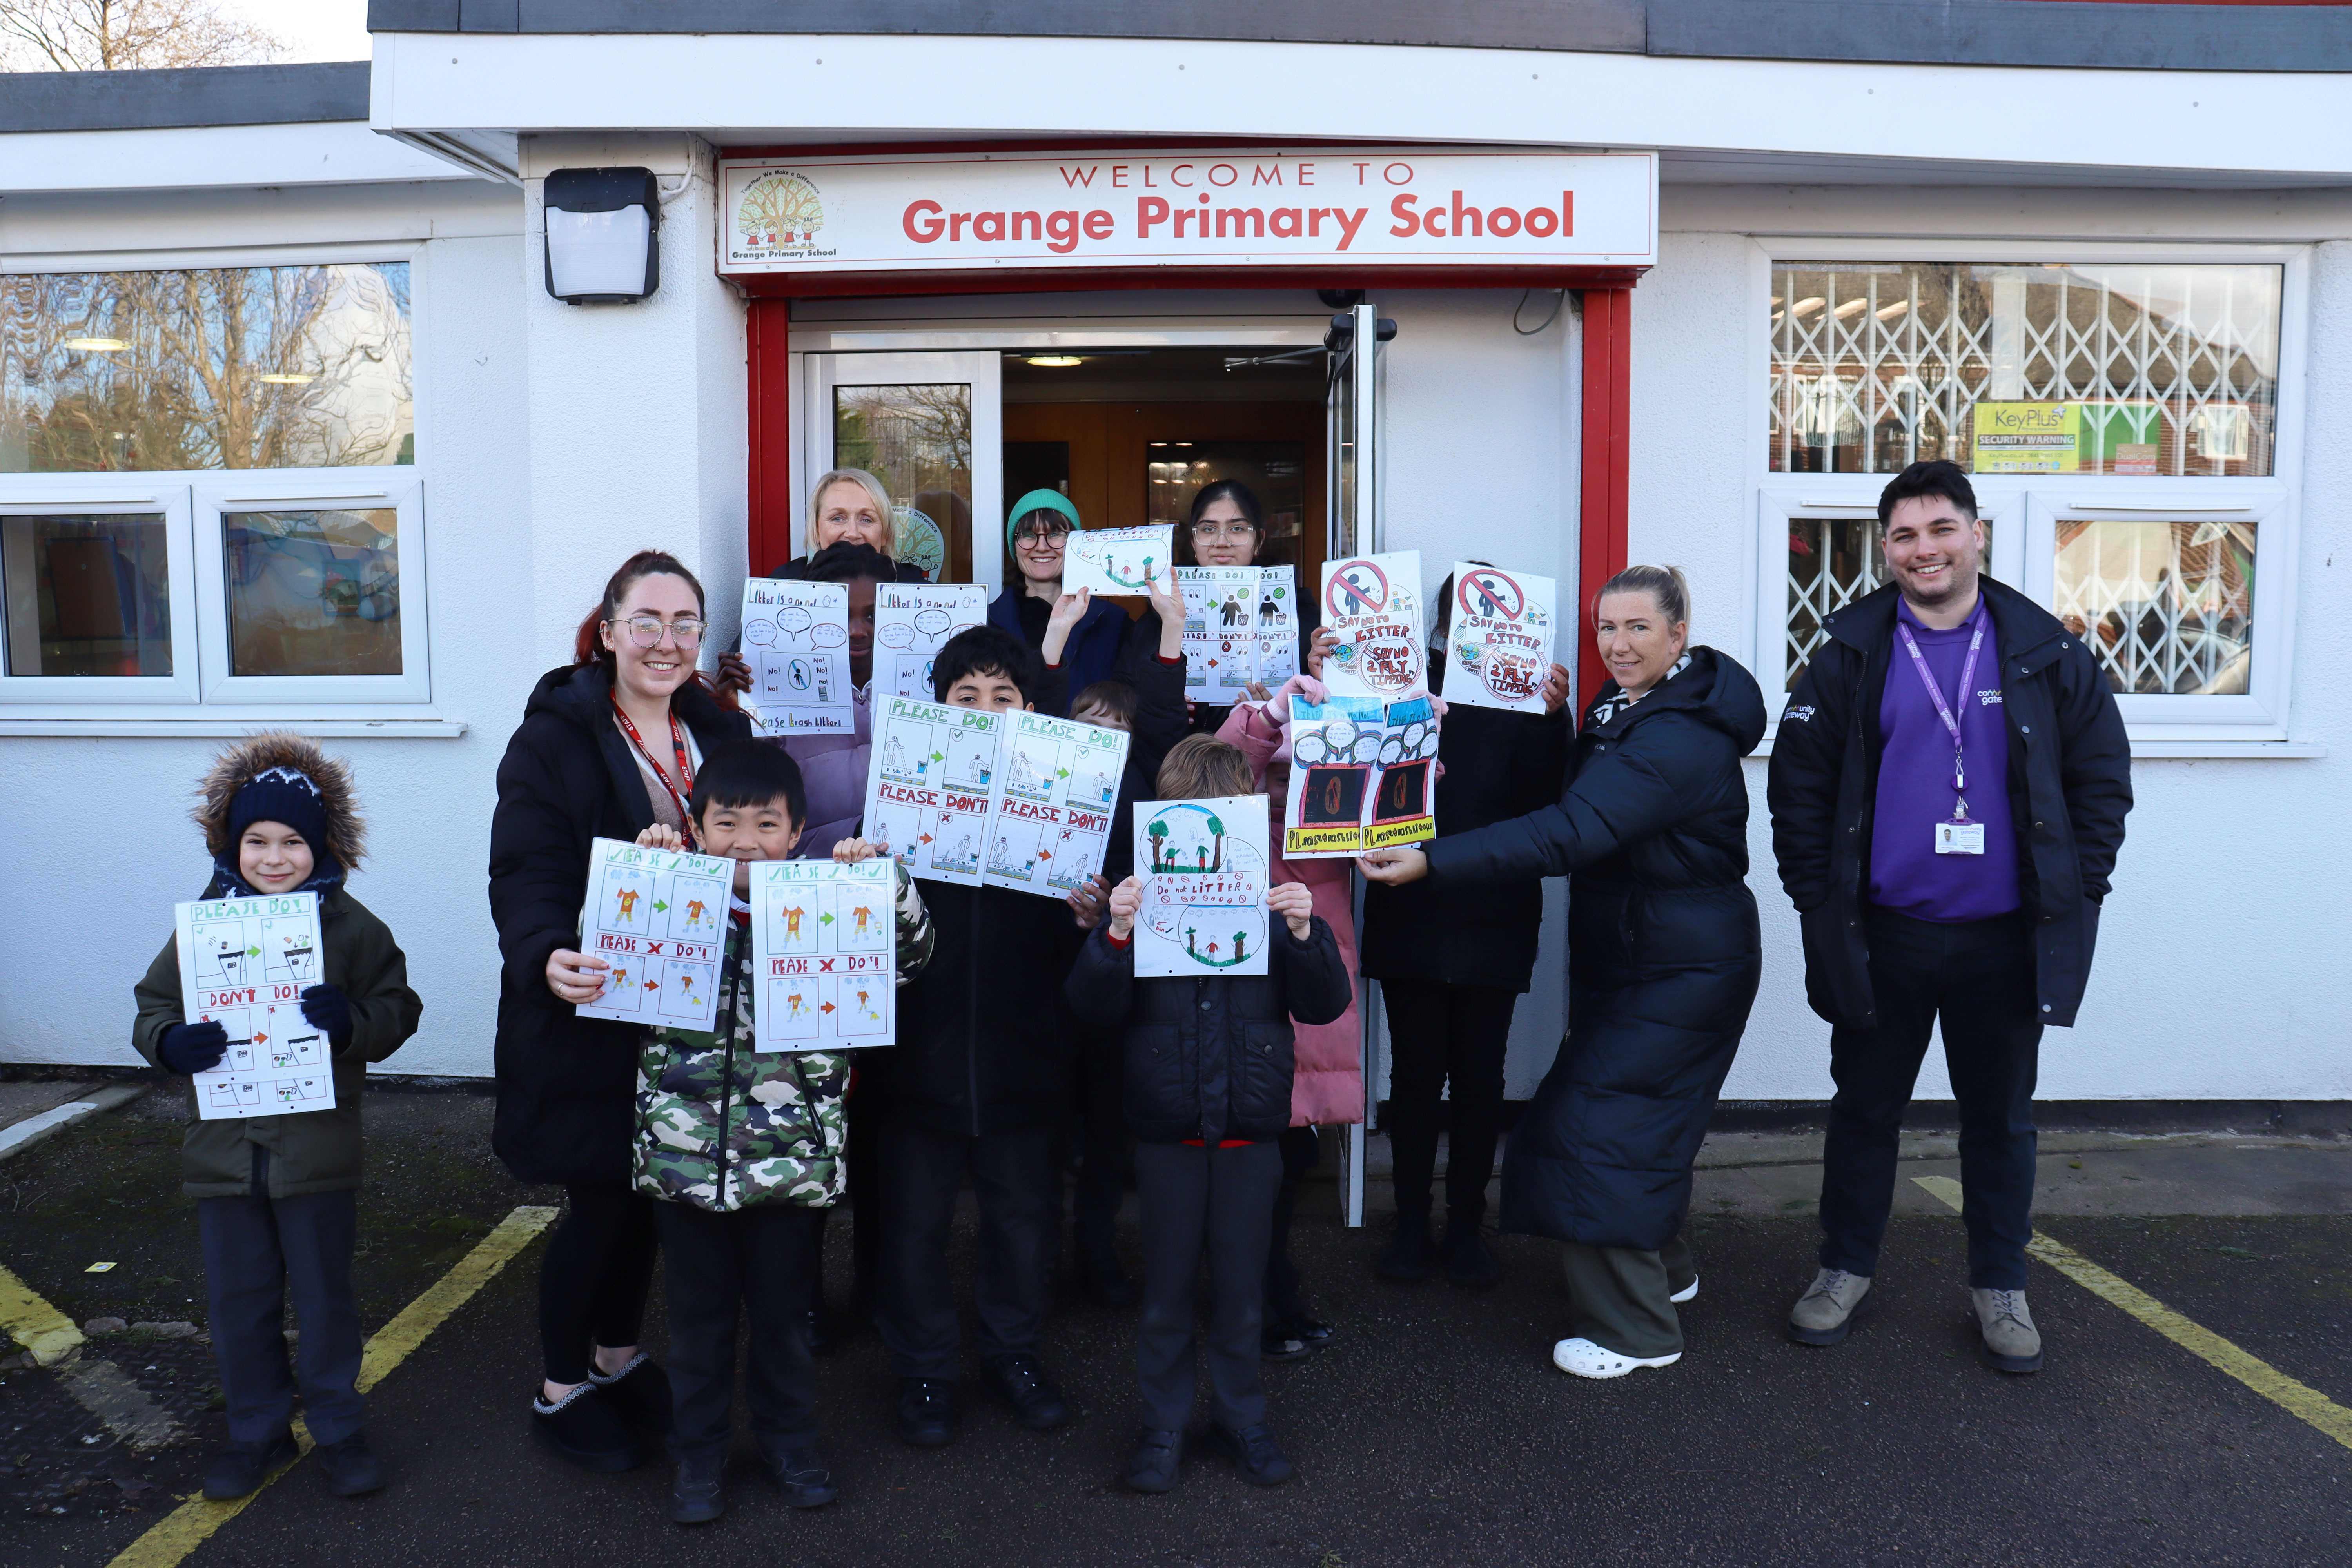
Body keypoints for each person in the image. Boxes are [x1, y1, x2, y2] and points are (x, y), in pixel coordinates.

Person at [1766, 460, 2131, 1374]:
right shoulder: (1850, 650)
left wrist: (2077, 888)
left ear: (1976, 535)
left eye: (1939, 529)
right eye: (1903, 535)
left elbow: (2101, 781)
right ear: (1884, 548)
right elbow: (1800, 787)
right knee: (1863, 1109)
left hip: (2005, 937)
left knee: (2000, 1118)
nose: (1922, 549)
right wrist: (1815, 895)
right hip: (1883, 932)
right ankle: (1843, 1270)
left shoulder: (2047, 651)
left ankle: (2000, 1287)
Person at [1361, 565, 1766, 1381]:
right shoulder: (1631, 709)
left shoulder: (1677, 732)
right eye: (1607, 628)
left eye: (1638, 628)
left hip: (1680, 961)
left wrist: (1430, 863)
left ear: (1678, 634)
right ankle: (1666, 1270)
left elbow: (1573, 826)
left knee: (1591, 1132)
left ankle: (1636, 1329)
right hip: (1647, 954)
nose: (1618, 644)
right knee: (1628, 1127)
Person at [488, 550, 753, 1470]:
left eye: (686, 624)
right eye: (647, 621)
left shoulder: (715, 730)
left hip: (685, 1019)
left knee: (648, 1199)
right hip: (589, 1007)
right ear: (608, 631)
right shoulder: (554, 737)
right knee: (600, 1202)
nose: (667, 641)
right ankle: (560, 1388)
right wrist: (541, 954)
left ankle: (616, 1353)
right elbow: (525, 867)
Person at [624, 742, 935, 1523]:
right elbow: (611, 956)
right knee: (695, 1328)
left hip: (789, 1167)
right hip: (683, 1164)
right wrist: (644, 865)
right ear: (694, 830)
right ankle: (696, 1457)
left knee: (784, 1323)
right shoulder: (668, 899)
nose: (744, 840)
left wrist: (883, 878)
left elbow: (915, 953)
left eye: (767, 823)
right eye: (725, 822)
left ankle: (791, 1443)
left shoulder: (831, 908)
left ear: (798, 834)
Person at [132, 735, 423, 1501]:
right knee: (239, 1301)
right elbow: (153, 1005)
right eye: (256, 840)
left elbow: (399, 1008)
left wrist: (350, 1020)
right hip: (225, 1155)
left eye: (293, 841)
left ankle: (338, 1426)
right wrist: (171, 1040)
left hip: (317, 1152)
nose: (273, 856)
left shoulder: (354, 927)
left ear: (322, 845)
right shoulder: (204, 924)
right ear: (232, 842)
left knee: (326, 1298)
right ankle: (256, 1429)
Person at [1065, 736, 1352, 1494]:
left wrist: (1305, 932)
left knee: (1240, 1289)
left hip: (1252, 1131)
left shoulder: (1270, 904)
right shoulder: (1137, 901)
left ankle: (1241, 1416)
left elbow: (1326, 1004)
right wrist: (1116, 934)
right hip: (1167, 1132)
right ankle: (1161, 1427)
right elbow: (1090, 1010)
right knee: (1164, 1295)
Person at [876, 625, 1083, 1447]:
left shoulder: (1065, 809)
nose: (987, 711)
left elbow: (1082, 952)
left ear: (1031, 710)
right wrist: (872, 869)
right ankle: (925, 1367)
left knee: (1024, 1218)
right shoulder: (899, 803)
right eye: (967, 698)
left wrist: (1088, 915)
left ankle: (1014, 1353)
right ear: (939, 707)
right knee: (913, 1224)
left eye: (1005, 698)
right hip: (914, 1060)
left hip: (1025, 1059)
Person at [1359, 569, 1573, 1287]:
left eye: (1495, 611)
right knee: (1416, 1077)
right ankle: (1411, 1222)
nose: (1483, 622)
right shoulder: (1401, 678)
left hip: (1496, 907)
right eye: (1468, 608)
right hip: (1408, 904)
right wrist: (1340, 666)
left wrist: (1555, 717)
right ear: (1444, 617)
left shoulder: (1528, 694)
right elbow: (1354, 771)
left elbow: (1550, 803)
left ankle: (1467, 1226)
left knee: (1482, 1079)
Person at [1217, 675, 1363, 1359]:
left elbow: (1400, 796)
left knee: (1291, 1163)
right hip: (1250, 1010)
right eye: (1272, 771)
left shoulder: (1331, 828)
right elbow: (1220, 762)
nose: (1279, 787)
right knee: (1255, 1169)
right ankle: (1262, 1300)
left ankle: (1275, 1293)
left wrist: (1423, 735)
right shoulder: (1228, 820)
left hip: (1314, 1009)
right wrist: (1269, 714)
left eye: (1294, 773)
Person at [1060, 669, 1193, 1306]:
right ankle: (1053, 1256)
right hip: (1047, 980)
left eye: (1116, 732)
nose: (1102, 741)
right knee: (1052, 1130)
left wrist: (1118, 902)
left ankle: (1098, 1252)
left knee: (1108, 1134)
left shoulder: (1143, 798)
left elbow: (1160, 889)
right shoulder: (1043, 785)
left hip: (1117, 988)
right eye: (1089, 728)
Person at [1174, 480, 1330, 737]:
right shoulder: (1166, 610)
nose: (1221, 542)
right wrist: (1171, 702)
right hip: (1189, 764)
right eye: (1208, 529)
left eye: (1237, 529)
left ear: (1259, 541)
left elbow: (1322, 708)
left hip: (1272, 763)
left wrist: (1282, 707)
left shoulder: (1297, 612)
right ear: (1193, 542)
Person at [990, 489, 1160, 708]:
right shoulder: (988, 622)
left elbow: (1135, 703)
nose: (1042, 547)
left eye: (1055, 534)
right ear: (1015, 545)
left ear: (1075, 544)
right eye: (1029, 535)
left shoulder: (1114, 622)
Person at [760, 468, 930, 582]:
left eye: (866, 520)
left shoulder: (914, 588)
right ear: (817, 530)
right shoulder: (784, 584)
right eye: (837, 518)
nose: (852, 533)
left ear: (885, 534)